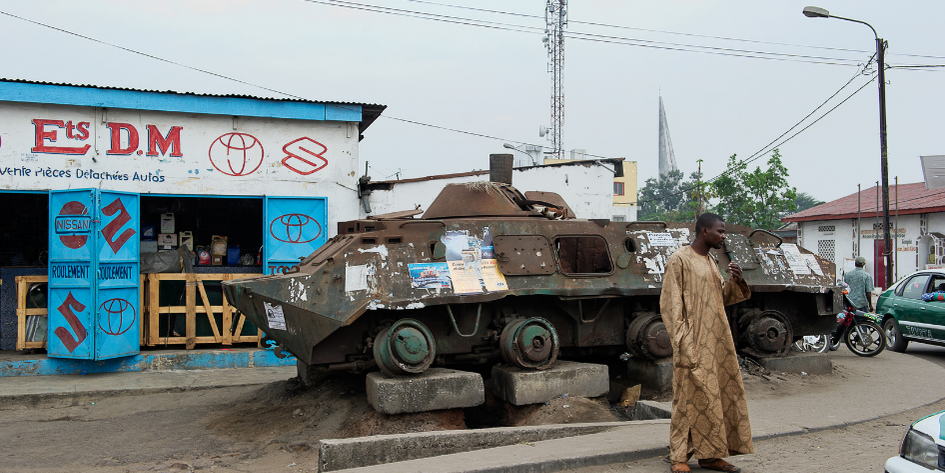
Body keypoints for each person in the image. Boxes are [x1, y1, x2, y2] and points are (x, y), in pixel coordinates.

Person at [659, 213, 753, 473]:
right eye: (720, 232)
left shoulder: (711, 261)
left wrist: (736, 279)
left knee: (715, 399)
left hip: (716, 342)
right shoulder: (680, 259)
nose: (723, 236)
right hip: (692, 341)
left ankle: (710, 455)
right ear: (704, 231)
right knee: (687, 398)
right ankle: (678, 456)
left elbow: (722, 297)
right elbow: (670, 305)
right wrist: (683, 342)